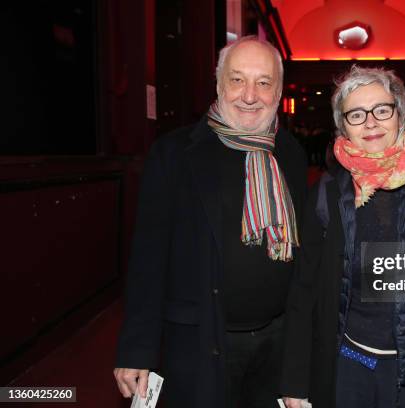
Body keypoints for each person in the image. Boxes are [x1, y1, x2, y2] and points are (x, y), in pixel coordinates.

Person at [113, 36, 307, 407]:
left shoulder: (291, 154)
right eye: (237, 80)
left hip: (275, 348)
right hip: (199, 345)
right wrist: (136, 349)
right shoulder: (173, 154)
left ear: (279, 91)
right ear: (218, 85)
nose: (250, 95)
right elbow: (147, 259)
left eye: (264, 83)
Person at [280, 66, 405, 408]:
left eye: (382, 110)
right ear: (343, 126)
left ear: (401, 113)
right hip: (349, 366)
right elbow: (304, 289)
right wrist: (296, 379)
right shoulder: (326, 192)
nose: (370, 122)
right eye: (356, 114)